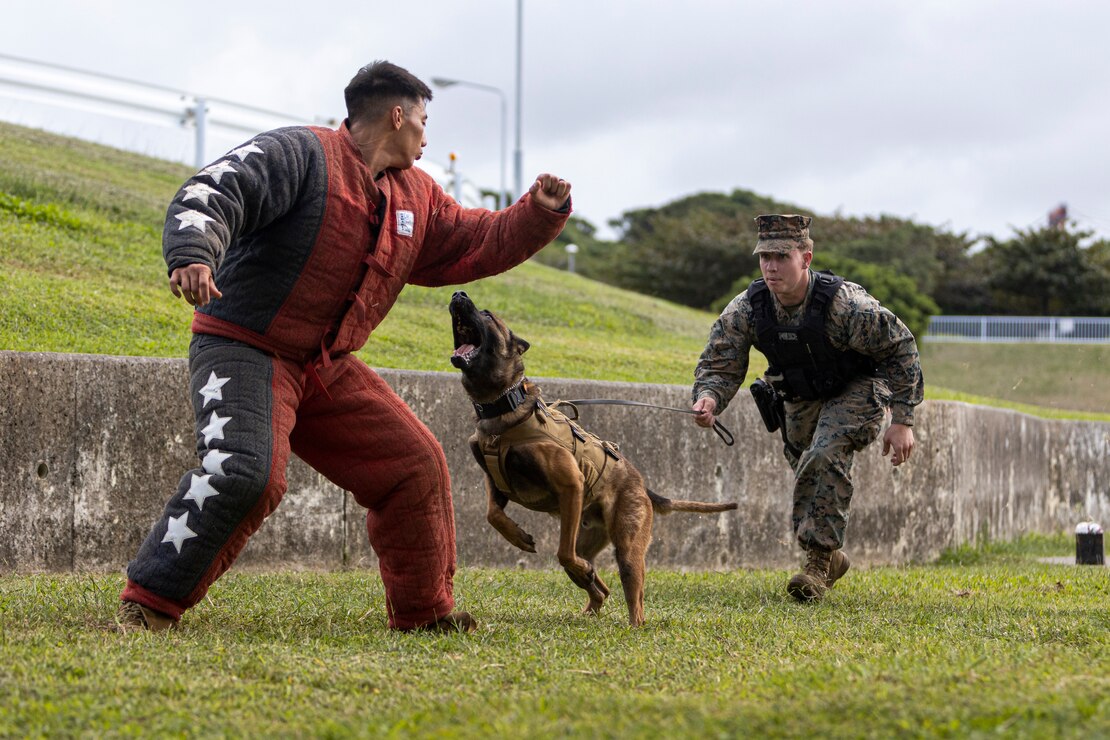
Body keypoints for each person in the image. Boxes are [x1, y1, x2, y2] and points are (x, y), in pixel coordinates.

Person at [117, 60, 572, 633]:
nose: (427, 136)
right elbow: (218, 189)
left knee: (415, 463)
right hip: (245, 347)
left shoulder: (418, 196)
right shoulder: (299, 153)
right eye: (424, 121)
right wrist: (192, 254)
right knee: (247, 473)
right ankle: (149, 605)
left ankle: (425, 615)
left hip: (327, 367)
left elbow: (476, 240)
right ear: (397, 115)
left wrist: (539, 213)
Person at [691, 214, 922, 601]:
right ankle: (830, 559)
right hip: (800, 397)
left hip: (858, 387)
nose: (771, 266)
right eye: (764, 257)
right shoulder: (749, 308)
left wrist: (903, 419)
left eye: (782, 256)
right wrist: (709, 398)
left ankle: (815, 566)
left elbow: (901, 347)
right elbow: (721, 361)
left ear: (806, 258)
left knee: (825, 455)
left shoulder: (846, 305)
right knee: (807, 470)